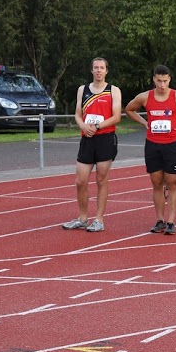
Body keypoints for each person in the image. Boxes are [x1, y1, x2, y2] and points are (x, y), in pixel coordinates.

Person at [124, 65, 176, 235]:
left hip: (171, 145)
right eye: (159, 81)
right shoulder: (145, 97)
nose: (162, 84)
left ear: (169, 80)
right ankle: (160, 220)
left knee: (172, 183)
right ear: (154, 79)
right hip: (152, 145)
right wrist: (144, 122)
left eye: (165, 81)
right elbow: (129, 109)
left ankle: (171, 221)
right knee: (156, 183)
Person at [63, 58, 122, 233]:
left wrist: (97, 126)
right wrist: (82, 126)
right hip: (87, 139)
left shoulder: (113, 90)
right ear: (91, 70)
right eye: (96, 68)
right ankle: (82, 218)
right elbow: (78, 114)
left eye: (102, 68)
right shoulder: (83, 89)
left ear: (106, 71)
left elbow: (117, 116)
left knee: (101, 180)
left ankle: (99, 219)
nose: (99, 71)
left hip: (105, 139)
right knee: (80, 181)